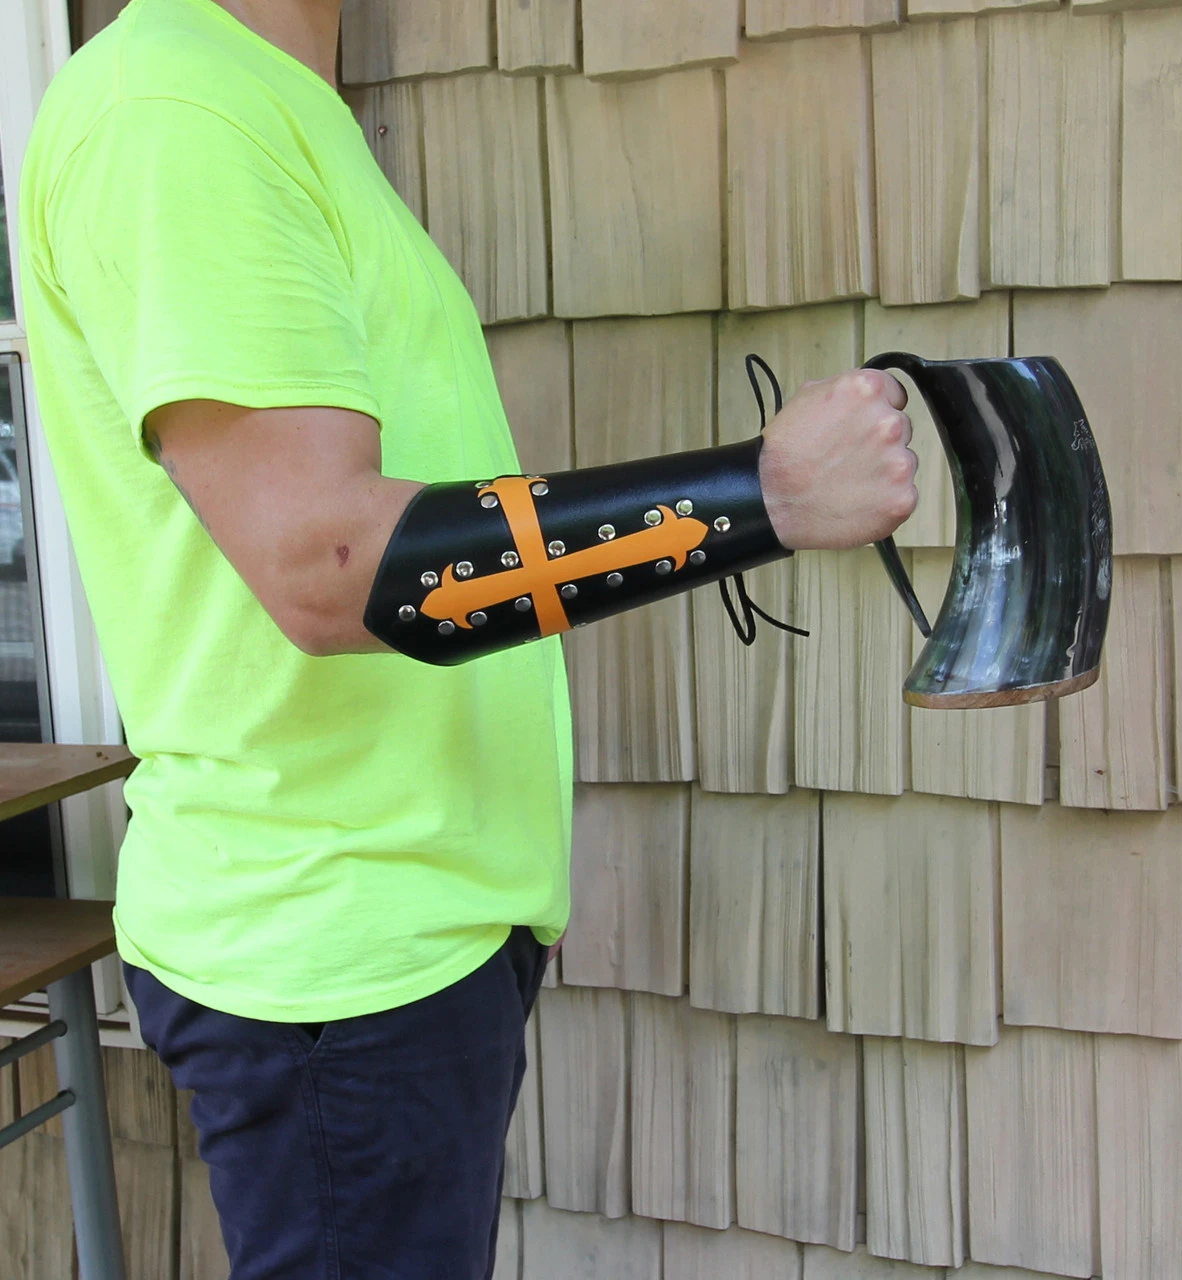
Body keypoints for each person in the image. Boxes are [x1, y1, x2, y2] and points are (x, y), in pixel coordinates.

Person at [18, 0, 918, 1275]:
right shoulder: (177, 107)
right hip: (333, 947)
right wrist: (759, 494)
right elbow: (332, 563)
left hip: (404, 926)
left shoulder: (265, 101)